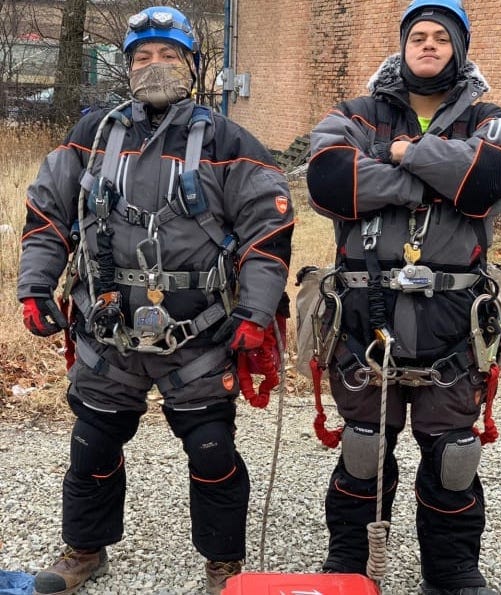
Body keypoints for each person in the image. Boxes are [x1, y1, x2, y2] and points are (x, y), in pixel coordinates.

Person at [17, 6, 293, 595]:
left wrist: (256, 312)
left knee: (212, 450)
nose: (155, 66)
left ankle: (224, 564)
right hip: (108, 328)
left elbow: (267, 234)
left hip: (200, 331)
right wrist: (35, 286)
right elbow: (47, 215)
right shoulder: (91, 135)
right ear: (127, 68)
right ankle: (84, 550)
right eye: (142, 57)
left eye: (169, 55)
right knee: (91, 442)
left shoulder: (230, 142)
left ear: (191, 65)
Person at [305, 1, 501, 593]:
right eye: (418, 36)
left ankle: (451, 573)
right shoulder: (354, 113)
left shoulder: (492, 118)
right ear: (402, 46)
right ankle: (349, 566)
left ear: (459, 48)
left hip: (453, 319)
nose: (428, 45)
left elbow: (490, 179)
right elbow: (329, 180)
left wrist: (401, 154)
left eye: (440, 38)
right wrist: (436, 182)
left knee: (454, 456)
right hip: (363, 315)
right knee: (363, 447)